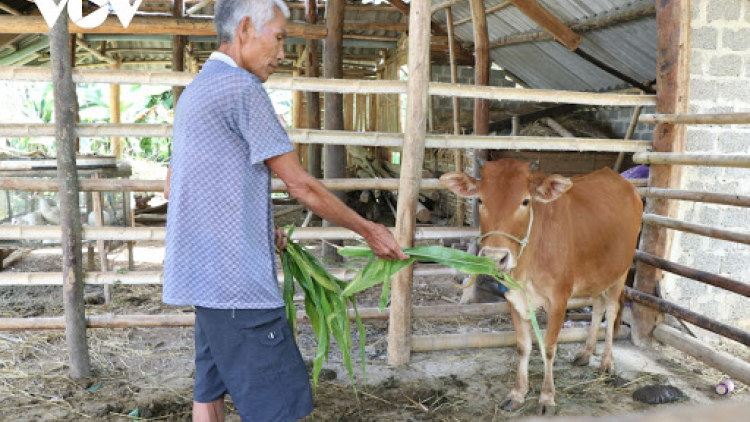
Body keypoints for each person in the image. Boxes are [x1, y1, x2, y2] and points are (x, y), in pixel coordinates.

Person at [161, 1, 408, 421]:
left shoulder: (198, 89)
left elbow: (175, 185)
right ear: (244, 30)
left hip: (205, 282)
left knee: (209, 393)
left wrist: (257, 227)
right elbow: (301, 185)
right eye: (278, 39)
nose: (281, 54)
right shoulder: (242, 89)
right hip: (238, 287)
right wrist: (369, 230)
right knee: (280, 410)